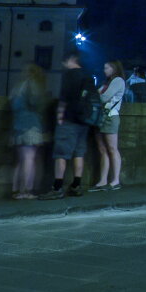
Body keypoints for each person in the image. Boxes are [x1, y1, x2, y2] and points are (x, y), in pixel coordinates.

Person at [40, 49, 95, 200]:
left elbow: (63, 99)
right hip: (84, 121)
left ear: (71, 59)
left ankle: (57, 188)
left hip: (69, 120)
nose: (63, 64)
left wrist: (59, 117)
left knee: (61, 154)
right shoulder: (87, 75)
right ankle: (76, 186)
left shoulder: (69, 76)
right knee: (79, 153)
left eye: (64, 61)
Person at [9, 63, 50, 199]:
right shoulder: (32, 85)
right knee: (29, 159)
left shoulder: (17, 87)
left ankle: (16, 190)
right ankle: (26, 191)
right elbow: (36, 104)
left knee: (20, 160)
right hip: (31, 125)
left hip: (17, 126)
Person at [89, 61, 126, 192]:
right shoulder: (108, 82)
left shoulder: (118, 81)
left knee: (111, 148)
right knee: (103, 149)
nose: (104, 70)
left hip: (110, 117)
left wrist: (95, 94)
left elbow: (103, 97)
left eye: (107, 67)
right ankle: (103, 180)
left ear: (114, 68)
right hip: (102, 117)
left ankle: (115, 180)